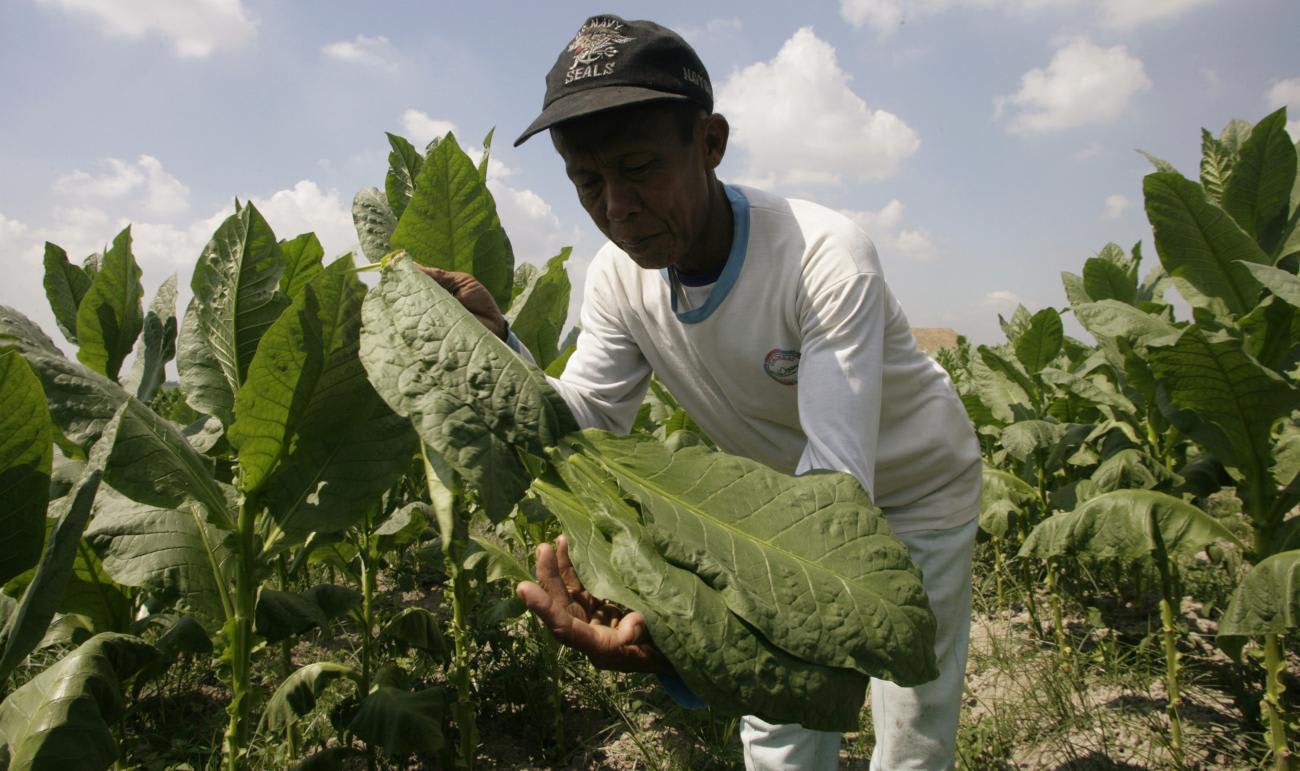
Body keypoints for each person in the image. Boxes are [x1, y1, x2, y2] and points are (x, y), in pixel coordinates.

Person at [425, 14, 982, 770]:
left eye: (640, 166)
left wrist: (694, 628)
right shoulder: (620, 279)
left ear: (710, 144)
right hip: (781, 503)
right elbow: (584, 420)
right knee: (780, 734)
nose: (616, 206)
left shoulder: (822, 256)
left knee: (914, 715)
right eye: (588, 181)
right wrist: (499, 346)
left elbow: (835, 487)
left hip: (917, 492)